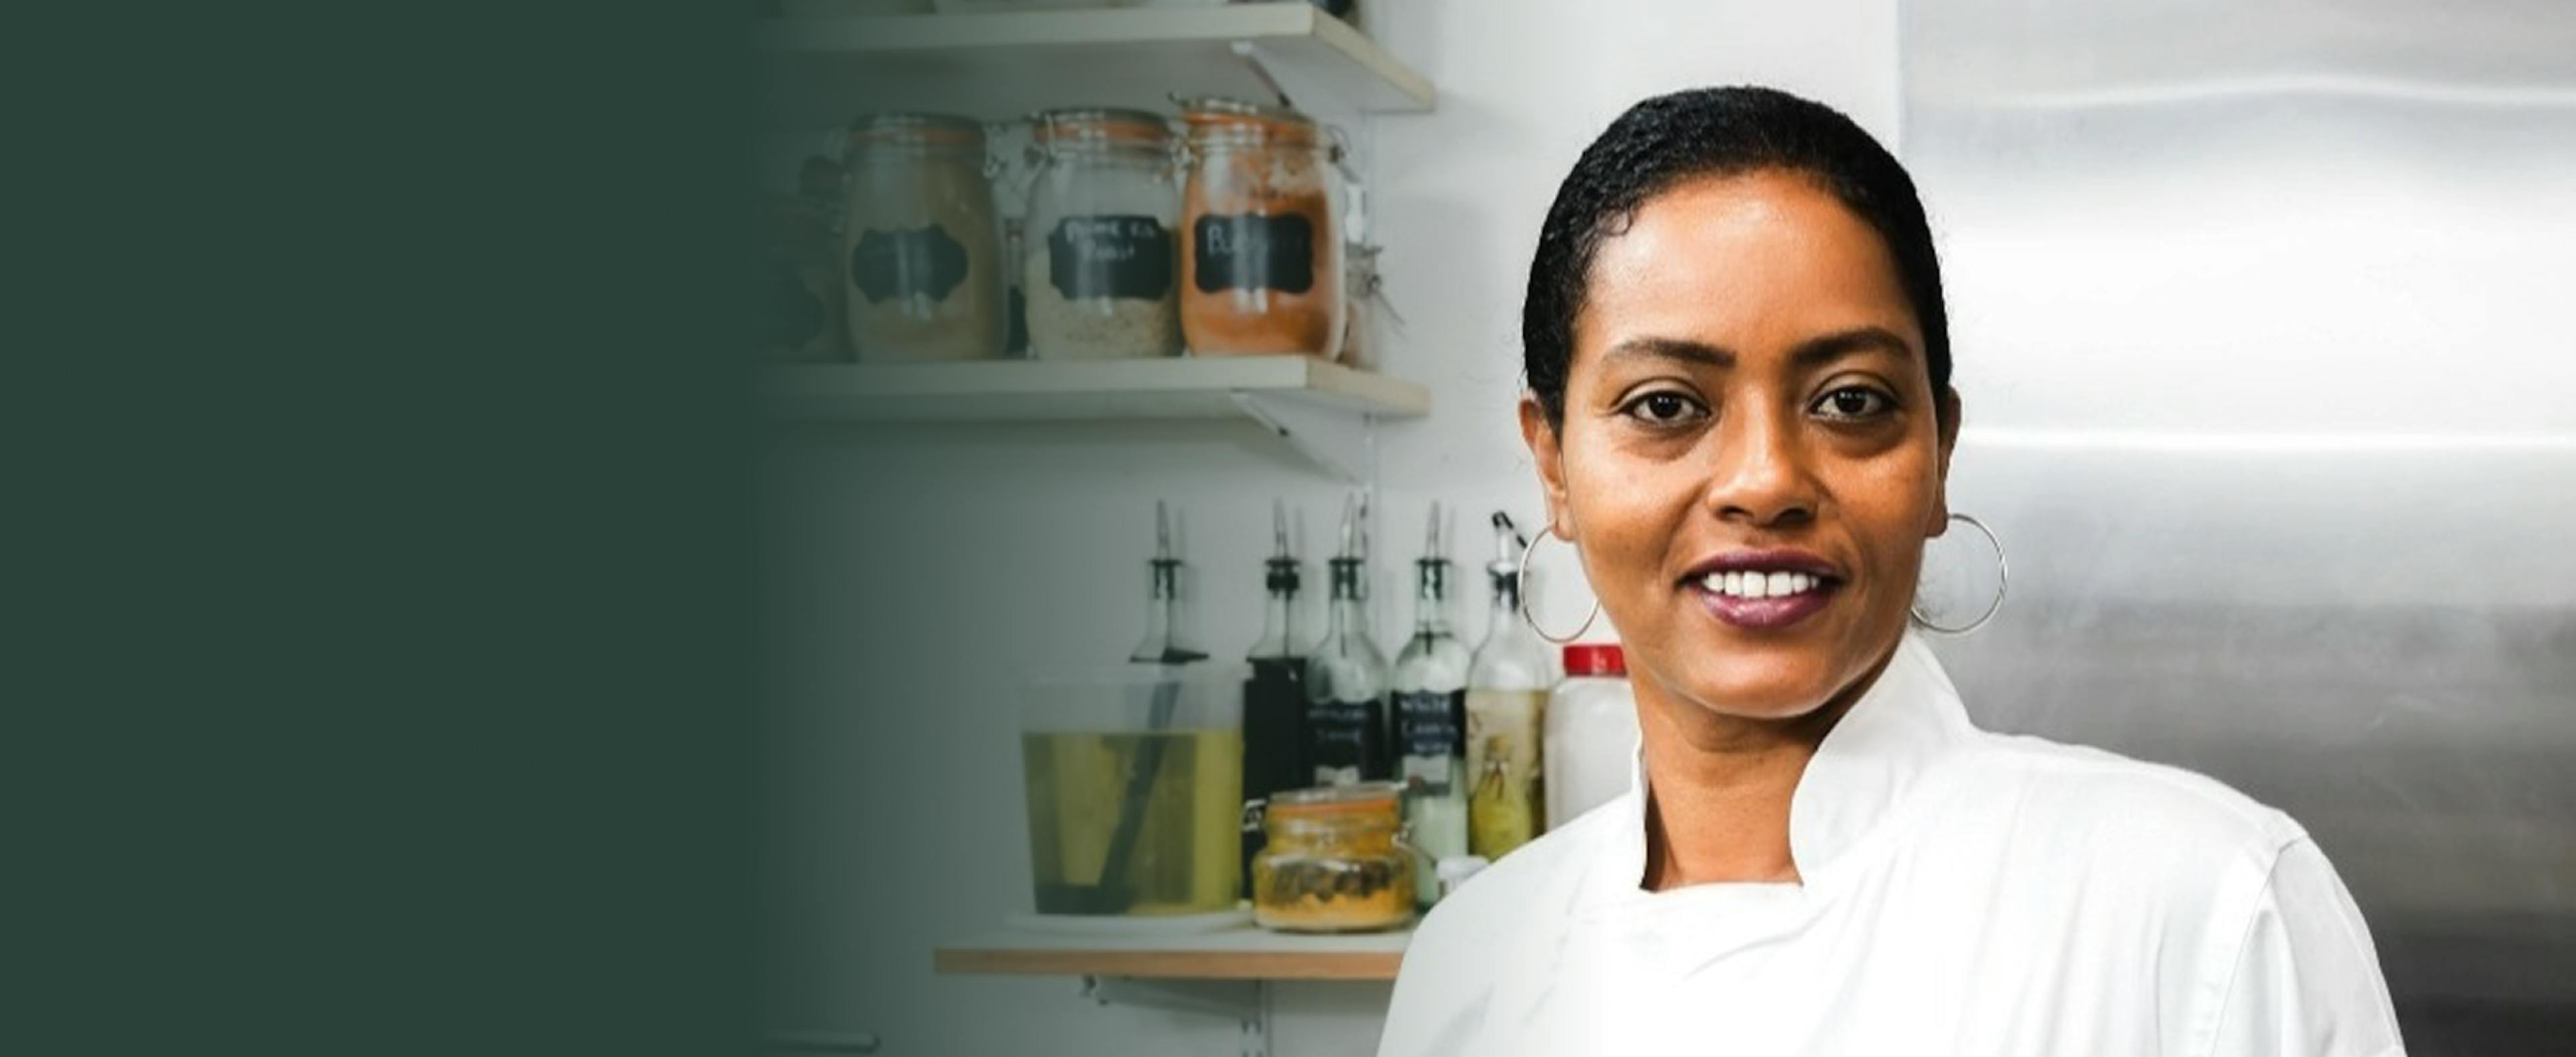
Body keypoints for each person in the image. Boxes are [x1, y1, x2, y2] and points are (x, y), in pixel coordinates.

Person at [1376, 87, 2404, 1056]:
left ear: (1940, 449)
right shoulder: (1474, 968)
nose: (1765, 481)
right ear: (1554, 464)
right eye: (1666, 406)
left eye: (1850, 401)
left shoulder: (2203, 908)